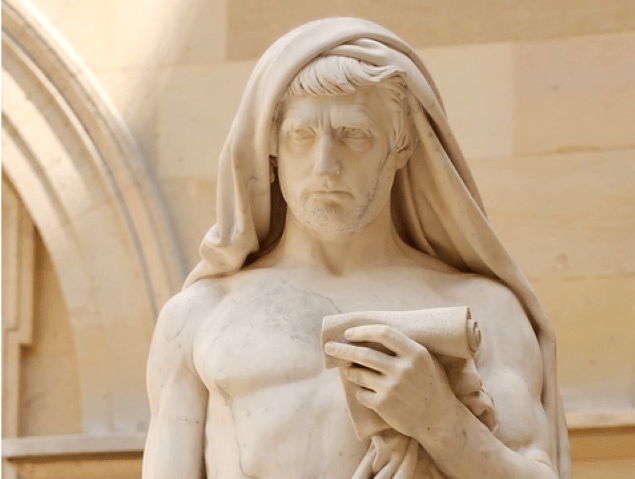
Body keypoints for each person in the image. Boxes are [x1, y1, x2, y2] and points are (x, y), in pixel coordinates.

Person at [142, 18, 570, 479]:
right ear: (271, 148)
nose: (325, 165)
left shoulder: (482, 310)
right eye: (301, 136)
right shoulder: (199, 318)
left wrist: (441, 421)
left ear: (401, 144)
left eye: (353, 134)